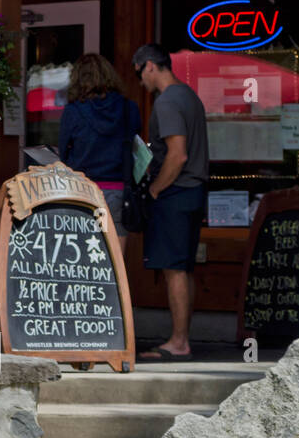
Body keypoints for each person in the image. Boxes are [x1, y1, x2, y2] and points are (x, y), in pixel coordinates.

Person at [134, 44, 209, 362]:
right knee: (184, 268)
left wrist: (154, 190)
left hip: (176, 193)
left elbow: (177, 155)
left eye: (140, 73)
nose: (140, 82)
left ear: (150, 65)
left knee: (173, 270)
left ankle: (179, 342)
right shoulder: (189, 95)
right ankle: (182, 337)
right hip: (193, 191)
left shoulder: (167, 101)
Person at [59, 54, 141, 240]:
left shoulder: (72, 112)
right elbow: (135, 148)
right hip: (119, 190)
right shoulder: (129, 108)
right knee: (115, 260)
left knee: (84, 259)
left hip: (82, 193)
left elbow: (64, 153)